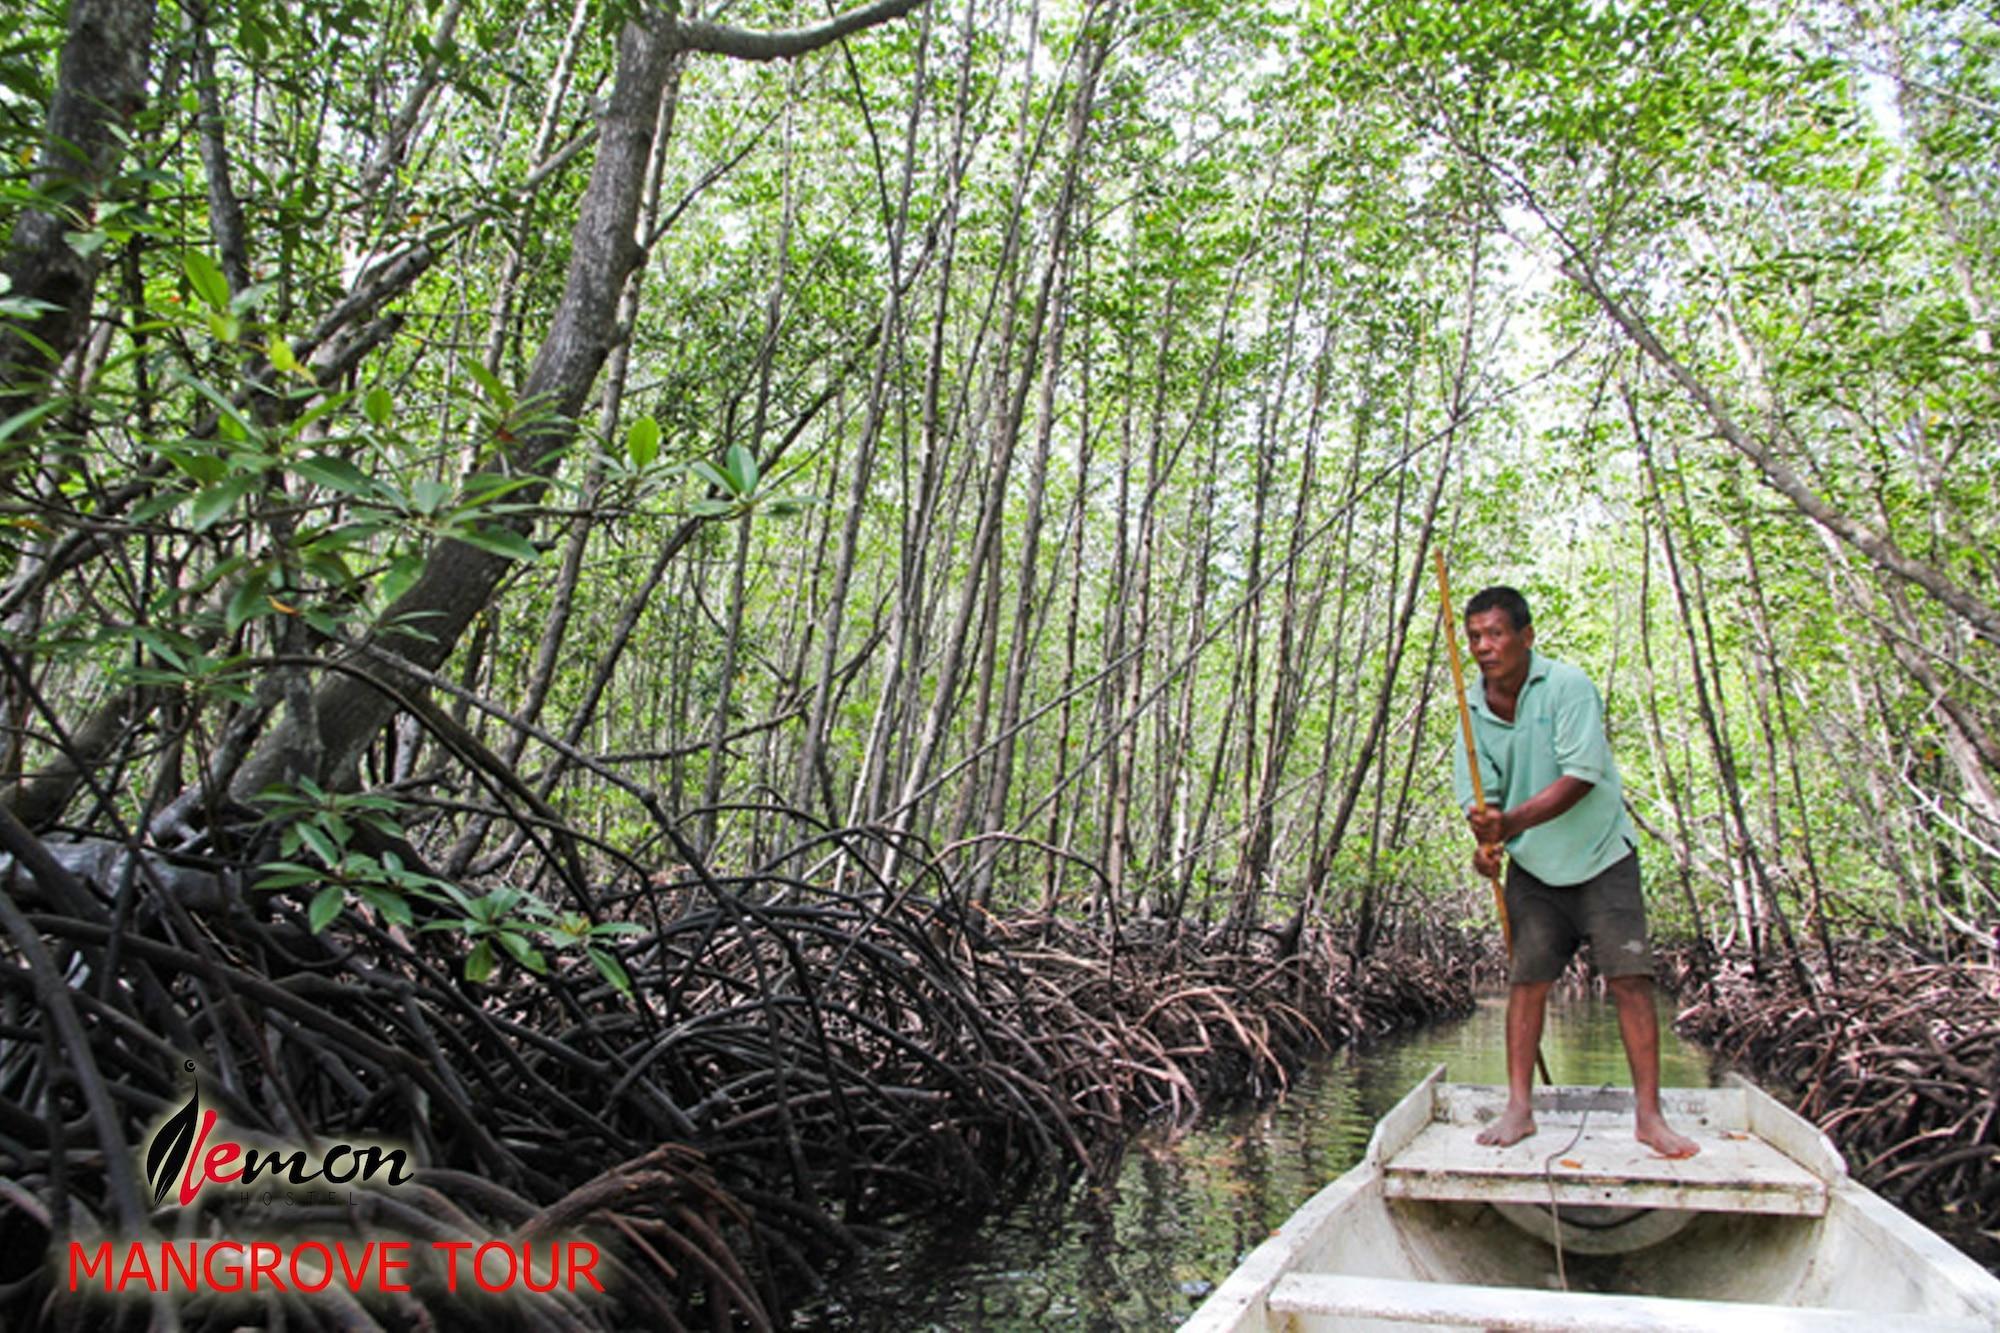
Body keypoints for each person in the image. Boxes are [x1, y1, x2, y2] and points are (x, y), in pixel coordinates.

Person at [1450, 585, 1697, 1158]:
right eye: (1474, 638)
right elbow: (1480, 801)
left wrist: (1508, 824)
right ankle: (1519, 1109)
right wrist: (1485, 837)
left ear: (1526, 637)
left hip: (1602, 854)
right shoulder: (1471, 710)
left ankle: (1649, 1117)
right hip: (1536, 866)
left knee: (1631, 979)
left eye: (1495, 634)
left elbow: (1581, 774)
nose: (1484, 647)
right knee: (1527, 982)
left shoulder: (1567, 687)